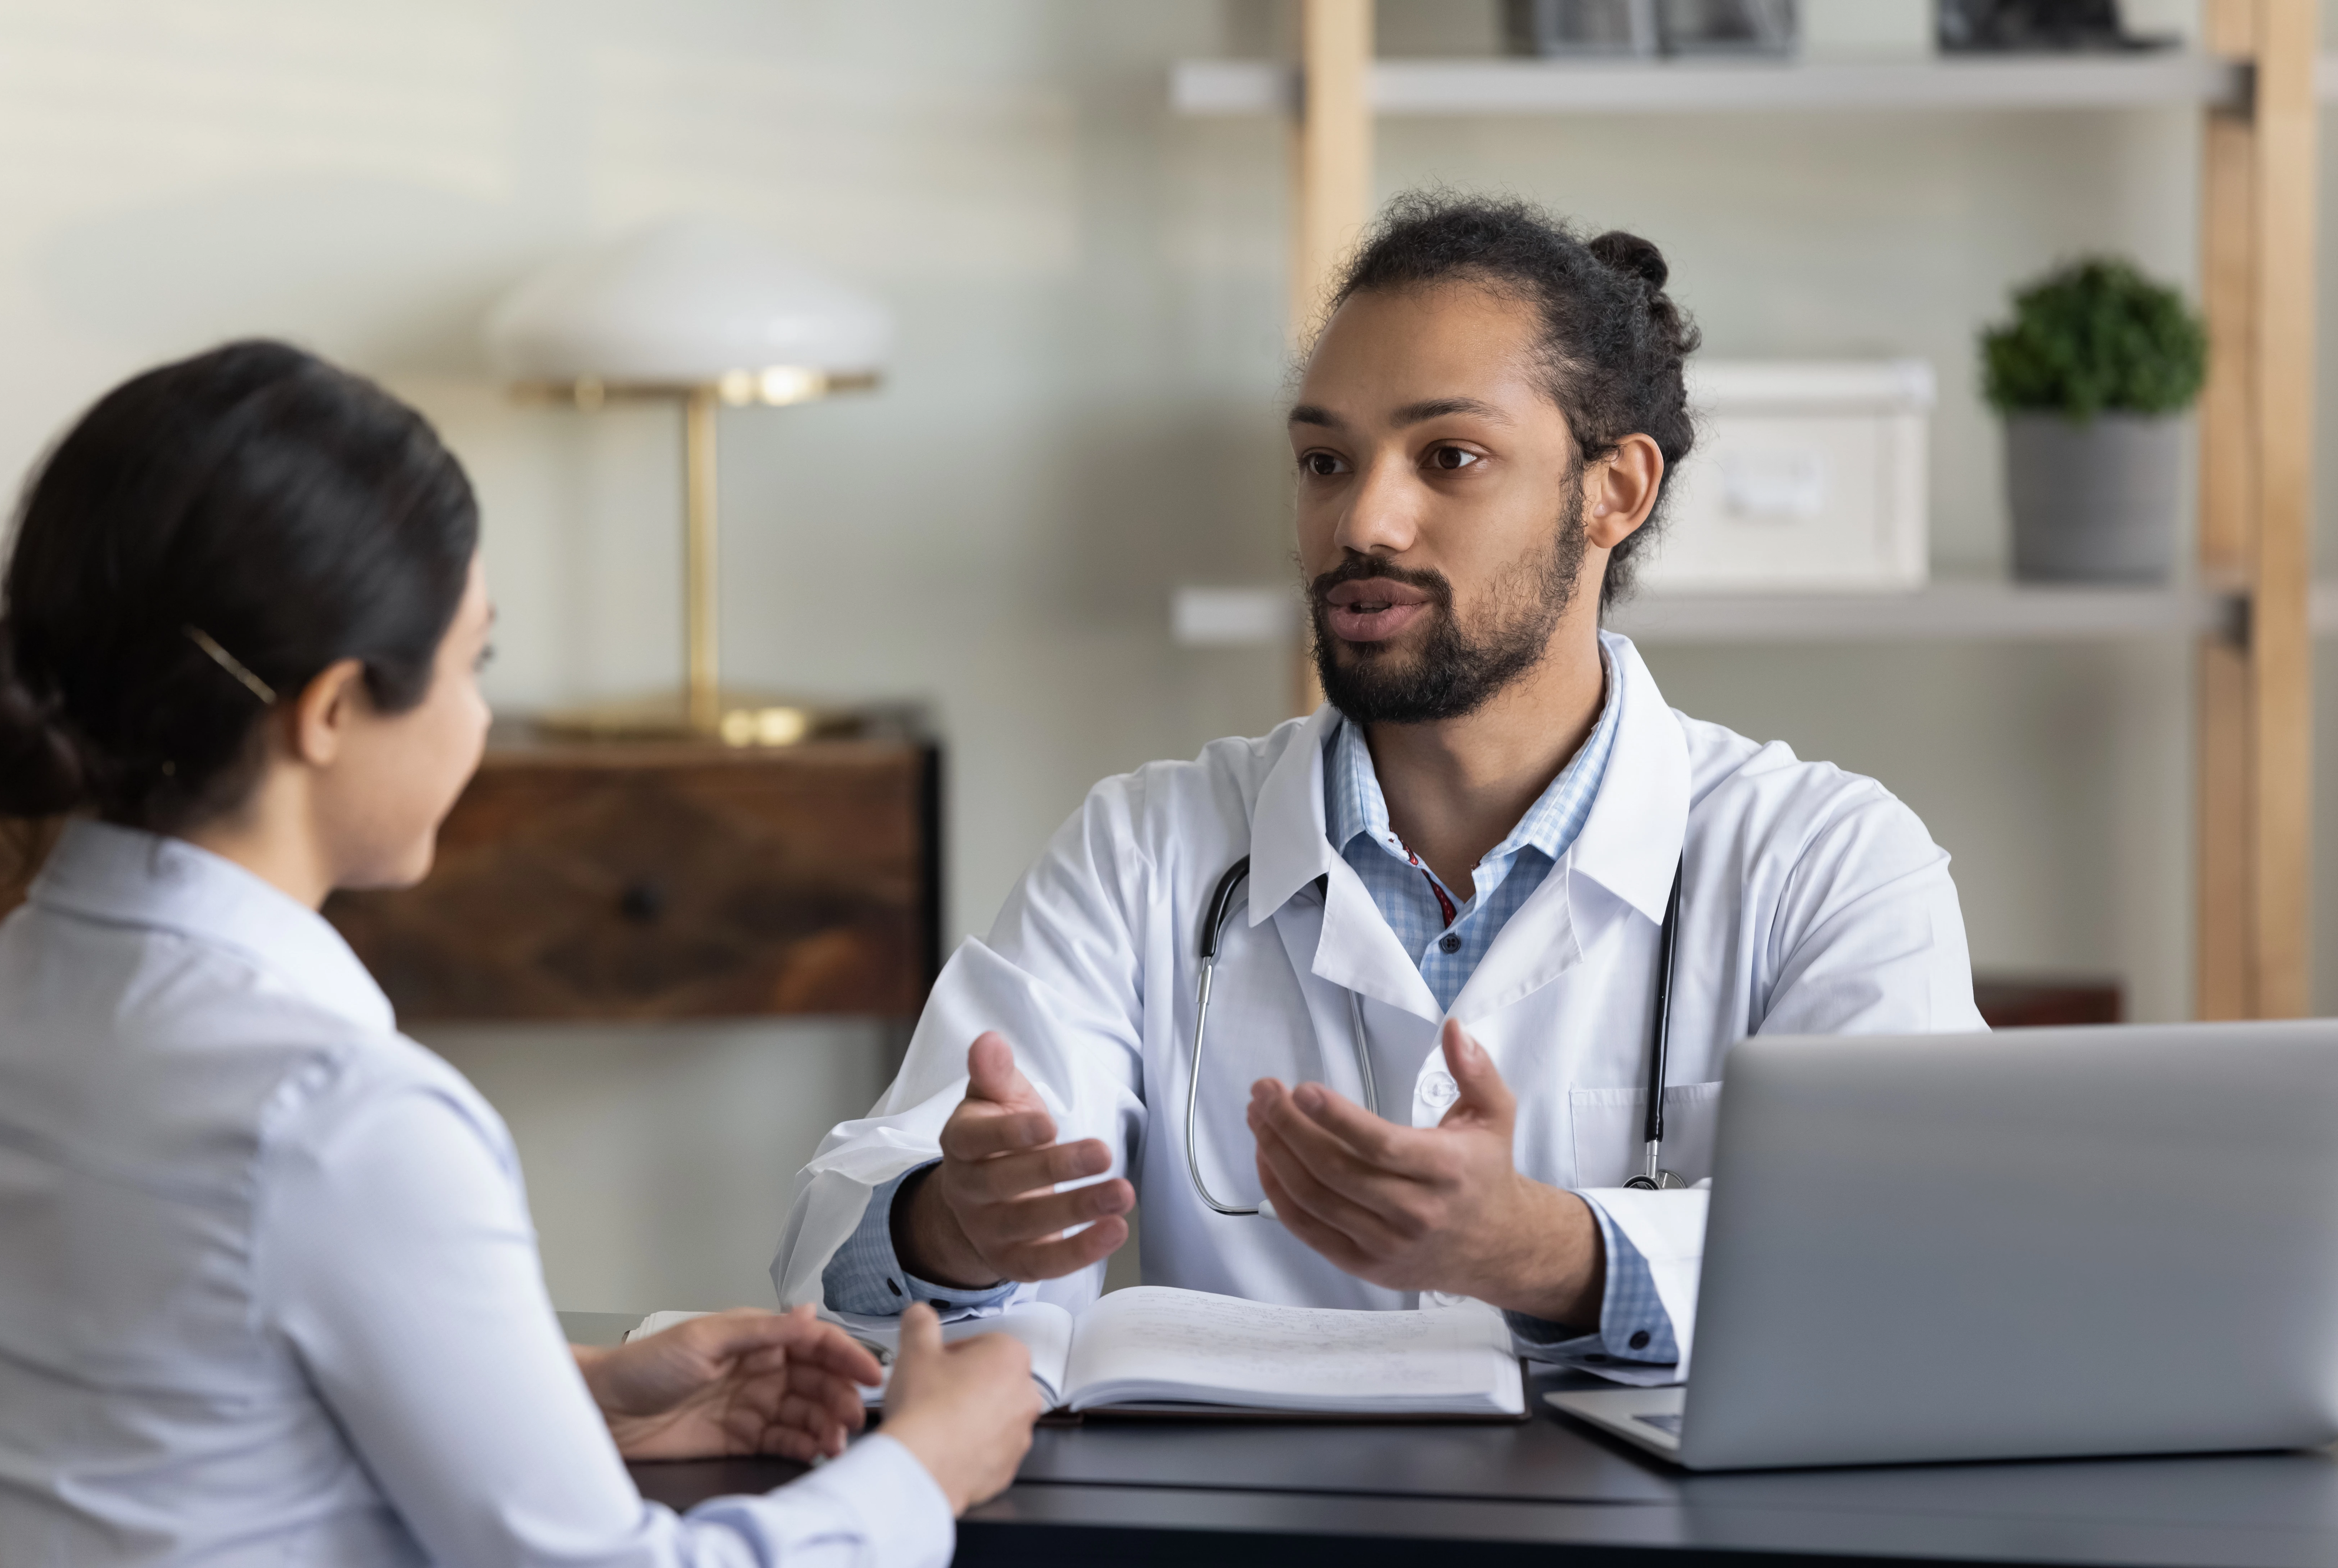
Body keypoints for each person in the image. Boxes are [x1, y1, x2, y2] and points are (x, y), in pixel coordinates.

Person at [774, 193, 1986, 1374]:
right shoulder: (1147, 846)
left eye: (1448, 457)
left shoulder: (1825, 860)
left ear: (1614, 489)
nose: (1365, 520)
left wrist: (1551, 1253)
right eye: (1323, 460)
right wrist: (950, 1223)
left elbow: (1926, 1260)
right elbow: (860, 1229)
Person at [0, 341, 1041, 1567]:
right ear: (329, 714)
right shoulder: (339, 1116)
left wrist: (562, 1399)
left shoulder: (23, 990)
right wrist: (923, 1468)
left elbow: (173, 1415)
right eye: (469, 661)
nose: (481, 715)